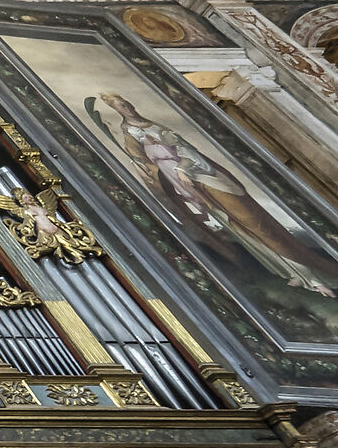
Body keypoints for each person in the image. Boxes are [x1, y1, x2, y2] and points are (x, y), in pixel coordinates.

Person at [87, 92, 338, 299]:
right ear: (117, 110)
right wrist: (152, 170)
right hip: (179, 180)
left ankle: (314, 277)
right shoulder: (129, 133)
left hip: (198, 171)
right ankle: (289, 270)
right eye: (121, 106)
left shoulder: (156, 126)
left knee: (254, 220)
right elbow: (140, 159)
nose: (127, 107)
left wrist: (182, 168)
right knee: (237, 225)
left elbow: (186, 149)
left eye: (126, 103)